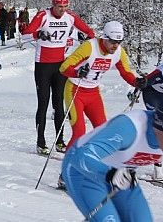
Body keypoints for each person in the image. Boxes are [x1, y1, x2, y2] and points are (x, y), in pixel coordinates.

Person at [21, 0, 95, 156]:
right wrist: (38, 34)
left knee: (59, 104)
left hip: (60, 66)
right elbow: (25, 35)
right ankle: (41, 142)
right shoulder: (43, 15)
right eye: (59, 6)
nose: (62, 10)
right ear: (53, 4)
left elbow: (89, 31)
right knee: (43, 103)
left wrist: (90, 39)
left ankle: (60, 141)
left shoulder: (70, 17)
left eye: (65, 6)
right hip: (43, 66)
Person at [61, 102, 163, 221]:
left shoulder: (160, 135)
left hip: (122, 177)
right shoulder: (130, 127)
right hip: (84, 172)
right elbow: (81, 156)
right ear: (160, 127)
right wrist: (109, 174)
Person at [59, 21, 140, 149]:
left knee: (102, 131)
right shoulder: (90, 47)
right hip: (75, 90)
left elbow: (125, 72)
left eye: (119, 42)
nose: (116, 46)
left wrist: (137, 82)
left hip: (93, 93)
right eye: (113, 41)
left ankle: (97, 159)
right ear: (105, 38)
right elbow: (63, 68)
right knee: (79, 132)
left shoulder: (119, 52)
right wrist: (77, 72)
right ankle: (69, 164)